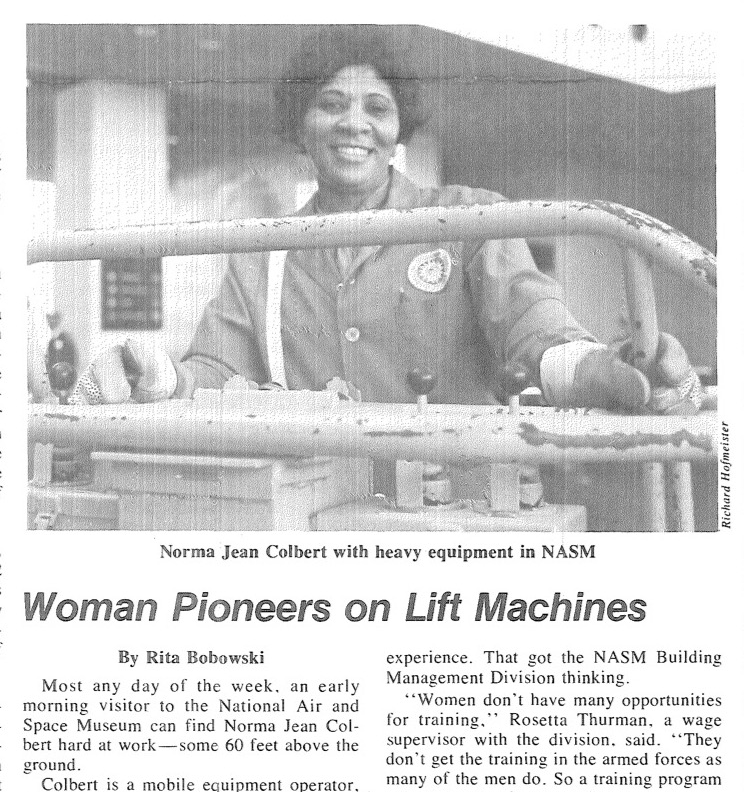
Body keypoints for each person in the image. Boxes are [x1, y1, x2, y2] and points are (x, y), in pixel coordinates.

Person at [72, 26, 702, 513]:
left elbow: (536, 336)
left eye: (377, 107)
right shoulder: (264, 249)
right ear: (300, 123)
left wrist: (604, 370)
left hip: (458, 513)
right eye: (330, 104)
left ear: (399, 128)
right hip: (318, 519)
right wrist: (157, 378)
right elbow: (214, 373)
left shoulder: (469, 218)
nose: (355, 123)